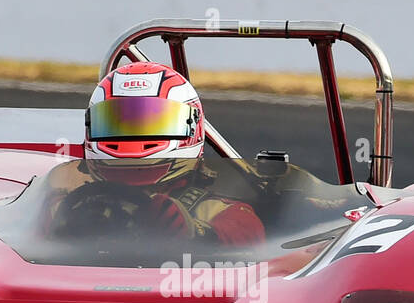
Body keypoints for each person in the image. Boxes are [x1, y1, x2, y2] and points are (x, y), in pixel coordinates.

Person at [52, 61, 265, 247]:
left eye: (153, 123)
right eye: (117, 124)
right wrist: (63, 224)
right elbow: (21, 234)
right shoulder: (68, 204)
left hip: (177, 290)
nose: (135, 138)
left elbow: (247, 233)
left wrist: (196, 233)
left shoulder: (216, 211)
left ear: (192, 128)